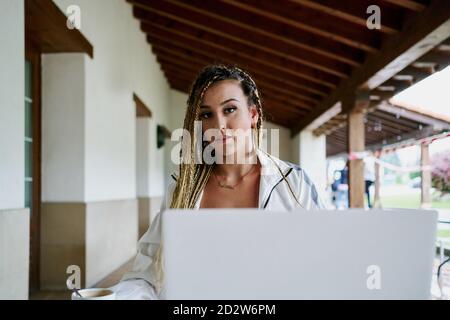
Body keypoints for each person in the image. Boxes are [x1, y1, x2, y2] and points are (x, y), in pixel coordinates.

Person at [110, 65, 327, 299]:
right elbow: (147, 276)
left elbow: (322, 265)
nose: (219, 126)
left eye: (230, 109)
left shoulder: (293, 184)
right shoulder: (182, 192)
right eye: (206, 114)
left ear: (253, 114)